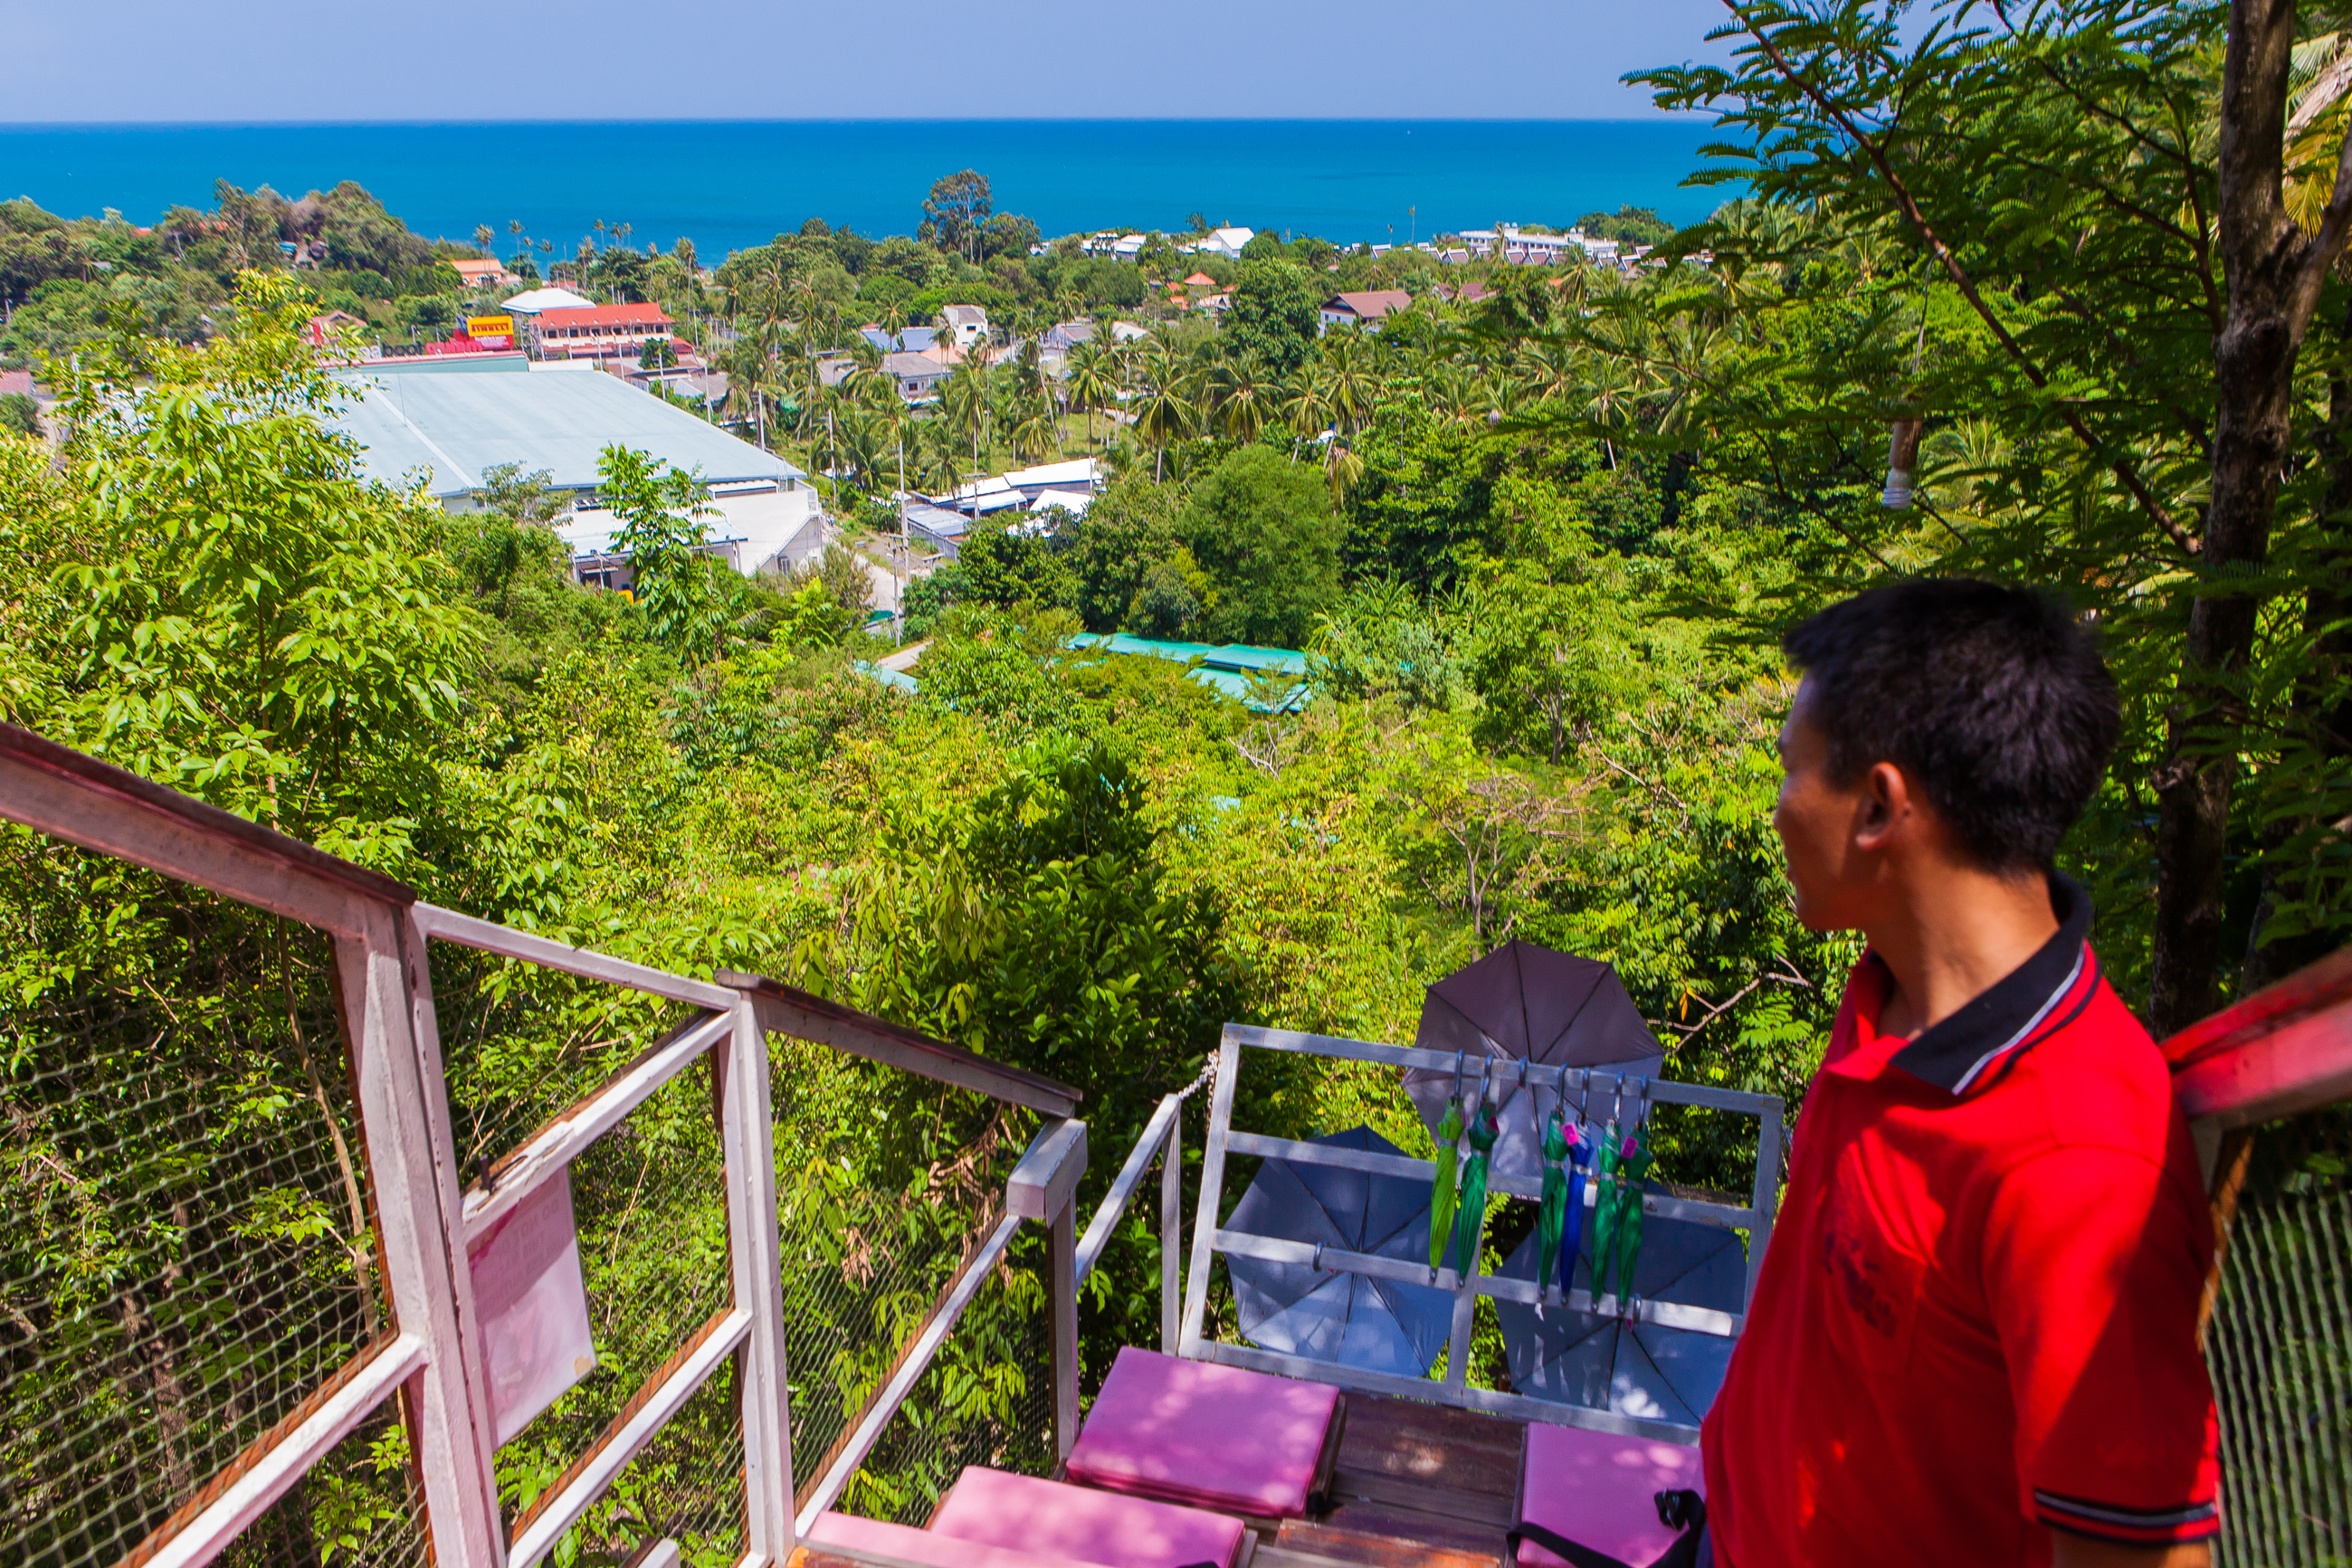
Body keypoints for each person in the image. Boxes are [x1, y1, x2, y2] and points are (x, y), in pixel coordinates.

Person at [1700, 580, 2222, 1567]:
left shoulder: (2079, 1159)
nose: (1776, 808)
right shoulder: (1889, 1000)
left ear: (1877, 808)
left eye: (1788, 771)